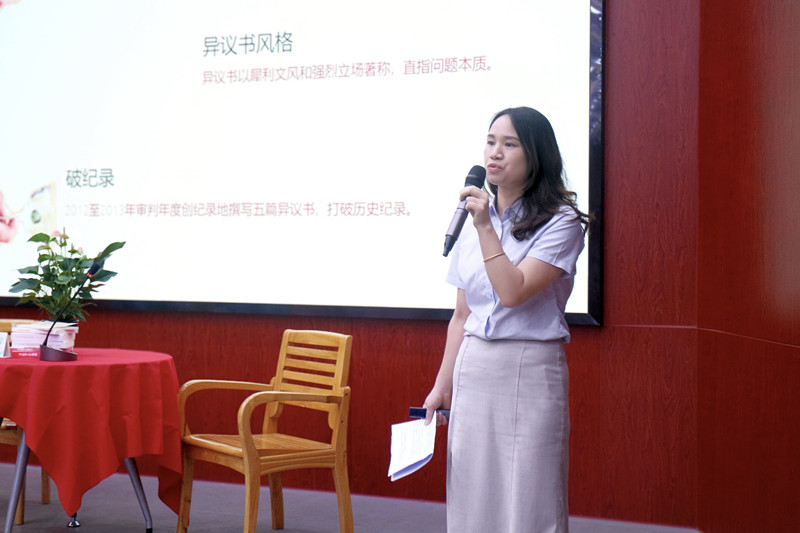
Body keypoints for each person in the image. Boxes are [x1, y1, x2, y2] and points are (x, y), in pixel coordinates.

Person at [423, 107, 591, 533]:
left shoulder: (561, 222)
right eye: (491, 141)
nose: (494, 153)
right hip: (474, 367)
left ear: (537, 154)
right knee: (472, 491)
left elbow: (513, 292)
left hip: (528, 366)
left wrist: (485, 227)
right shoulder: (473, 218)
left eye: (510, 144)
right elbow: (462, 314)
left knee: (529, 494)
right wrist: (442, 386)